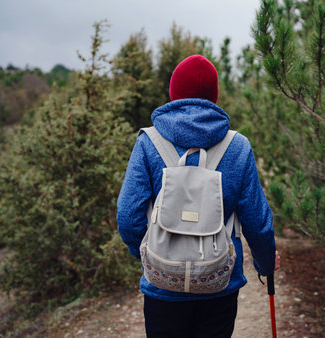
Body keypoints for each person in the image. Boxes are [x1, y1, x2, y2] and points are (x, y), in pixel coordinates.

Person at [117, 54, 279, 338]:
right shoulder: (237, 147)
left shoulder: (148, 143)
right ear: (214, 96)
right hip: (219, 285)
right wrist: (265, 264)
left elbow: (128, 216)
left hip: (162, 288)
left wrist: (146, 254)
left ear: (173, 93)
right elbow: (257, 221)